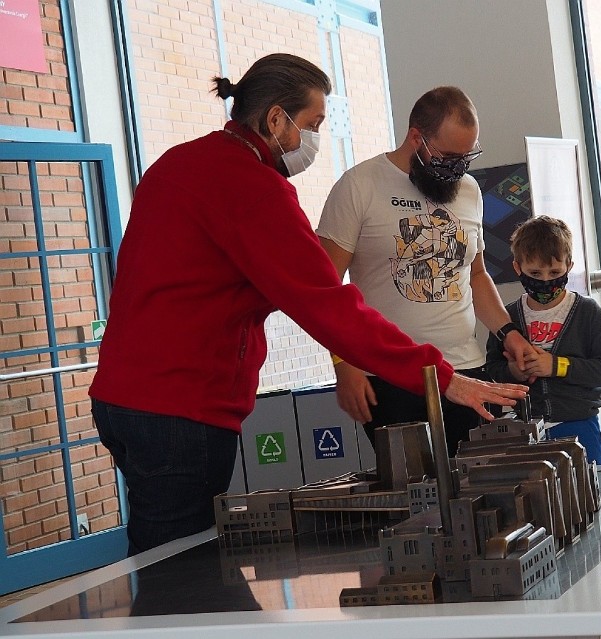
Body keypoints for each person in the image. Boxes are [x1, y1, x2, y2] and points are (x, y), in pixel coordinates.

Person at [88, 55, 527, 556]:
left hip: (126, 398)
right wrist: (439, 375)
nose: (311, 141)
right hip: (180, 406)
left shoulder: (178, 163)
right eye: (312, 125)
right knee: (180, 573)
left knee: (162, 554)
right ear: (276, 119)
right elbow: (328, 302)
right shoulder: (253, 187)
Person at [317, 86, 535, 456]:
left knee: (484, 488)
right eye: (449, 157)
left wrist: (508, 333)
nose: (458, 169)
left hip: (468, 367)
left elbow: (476, 275)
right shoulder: (360, 186)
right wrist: (344, 363)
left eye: (467, 157)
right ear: (416, 136)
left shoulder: (468, 190)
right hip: (392, 378)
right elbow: (323, 288)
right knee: (420, 495)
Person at [485, 216, 601, 465]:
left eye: (555, 272)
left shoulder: (588, 312)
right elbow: (492, 369)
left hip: (580, 427)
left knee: (589, 496)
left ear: (569, 266)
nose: (546, 280)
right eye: (535, 273)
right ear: (518, 268)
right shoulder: (507, 318)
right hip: (525, 433)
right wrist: (513, 372)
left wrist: (556, 366)